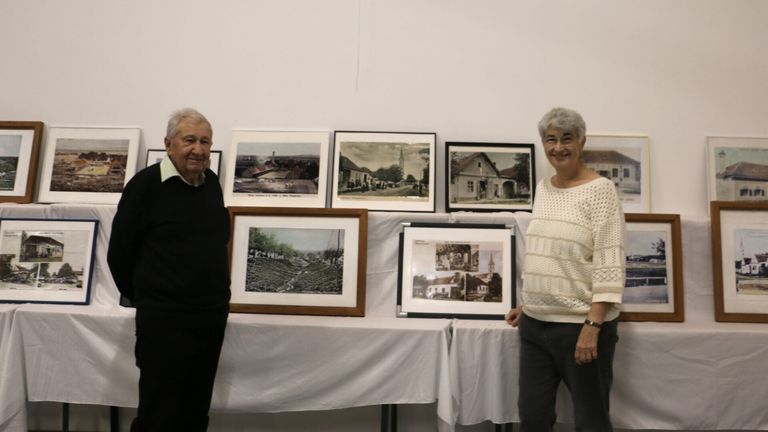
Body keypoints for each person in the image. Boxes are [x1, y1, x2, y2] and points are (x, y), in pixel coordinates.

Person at [107, 108, 231, 432]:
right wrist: (149, 298)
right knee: (158, 414)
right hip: (164, 320)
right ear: (168, 143)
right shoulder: (144, 187)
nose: (199, 149)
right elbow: (119, 254)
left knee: (195, 412)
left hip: (209, 318)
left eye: (205, 141)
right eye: (189, 139)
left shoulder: (212, 184)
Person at [505, 107, 626, 431]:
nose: (558, 147)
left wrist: (593, 325)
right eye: (551, 139)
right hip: (534, 325)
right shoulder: (544, 188)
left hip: (580, 328)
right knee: (533, 418)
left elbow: (609, 260)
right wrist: (530, 304)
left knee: (591, 420)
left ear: (581, 142)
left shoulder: (601, 191)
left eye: (567, 138)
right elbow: (550, 250)